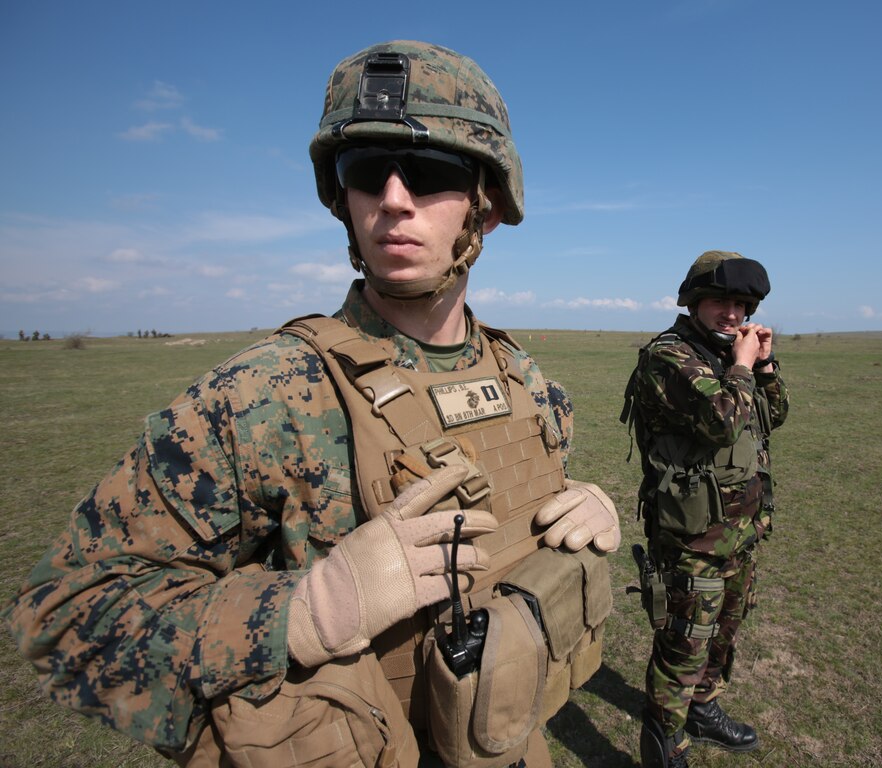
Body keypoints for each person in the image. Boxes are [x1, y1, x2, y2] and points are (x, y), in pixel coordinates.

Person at [5, 41, 620, 768]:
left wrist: (572, 514)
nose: (393, 198)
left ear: (484, 207)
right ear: (344, 199)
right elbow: (63, 617)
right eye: (366, 171)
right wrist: (299, 613)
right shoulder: (264, 397)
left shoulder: (528, 384)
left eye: (427, 172)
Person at [620, 250, 789, 768]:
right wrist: (742, 365)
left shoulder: (727, 356)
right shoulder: (670, 358)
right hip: (692, 536)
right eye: (720, 301)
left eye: (741, 304)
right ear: (695, 300)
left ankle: (704, 708)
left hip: (739, 530)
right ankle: (664, 740)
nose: (732, 314)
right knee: (686, 639)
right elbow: (721, 421)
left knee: (726, 628)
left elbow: (774, 415)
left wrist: (763, 365)